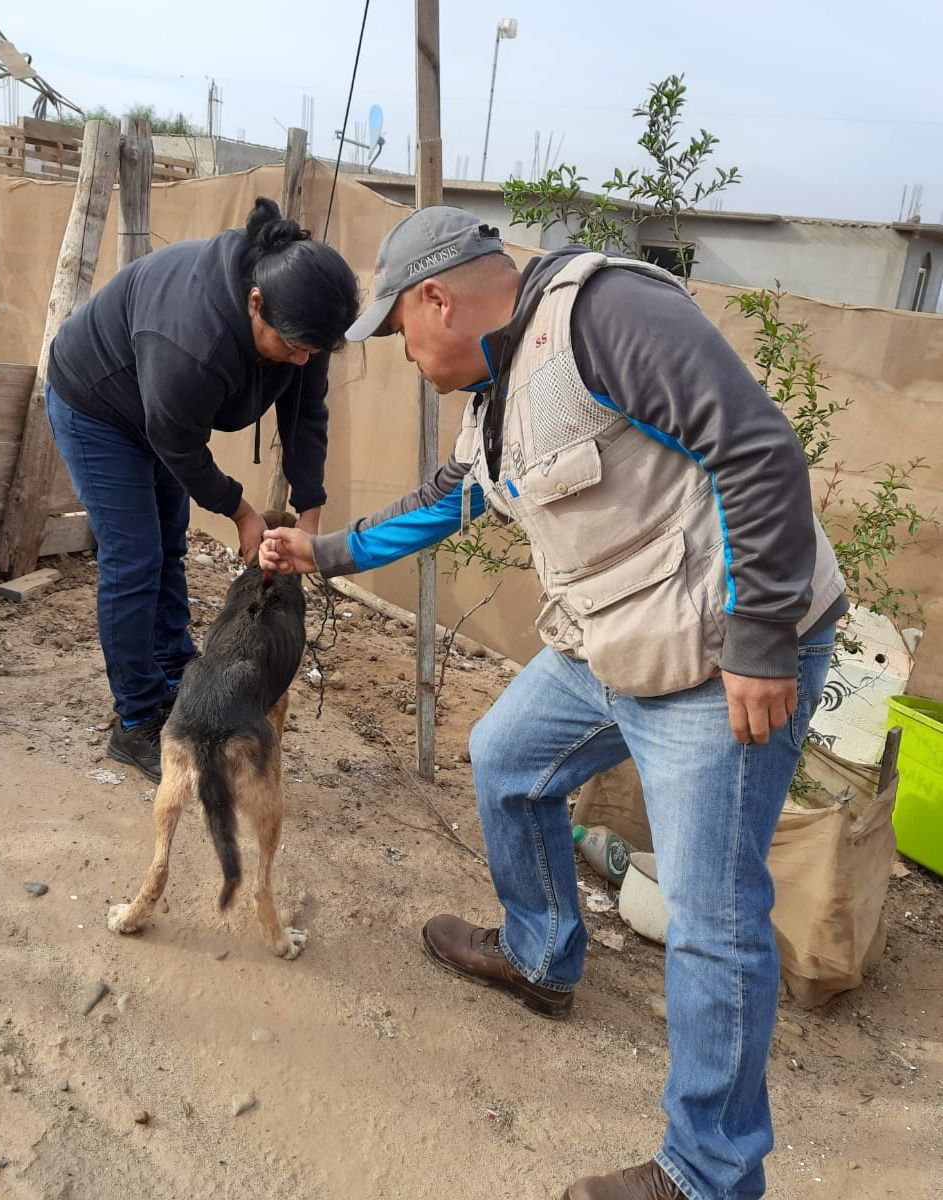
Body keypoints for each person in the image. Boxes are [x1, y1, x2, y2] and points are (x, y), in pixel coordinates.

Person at [260, 207, 847, 1200]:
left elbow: (756, 451)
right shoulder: (492, 397)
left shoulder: (604, 316)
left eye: (400, 331)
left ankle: (707, 1175)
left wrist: (757, 642)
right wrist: (321, 553)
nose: (404, 355)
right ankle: (540, 956)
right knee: (505, 760)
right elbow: (446, 502)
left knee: (712, 916)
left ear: (437, 297)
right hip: (612, 640)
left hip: (718, 651)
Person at [46, 197, 359, 783]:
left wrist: (310, 515)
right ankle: (136, 719)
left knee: (168, 544)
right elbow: (180, 445)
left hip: (159, 407)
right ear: (255, 303)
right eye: (293, 348)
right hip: (98, 405)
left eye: (311, 351)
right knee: (134, 556)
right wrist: (242, 513)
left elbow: (305, 413)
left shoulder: (303, 321)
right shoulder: (192, 337)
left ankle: (173, 674)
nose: (301, 359)